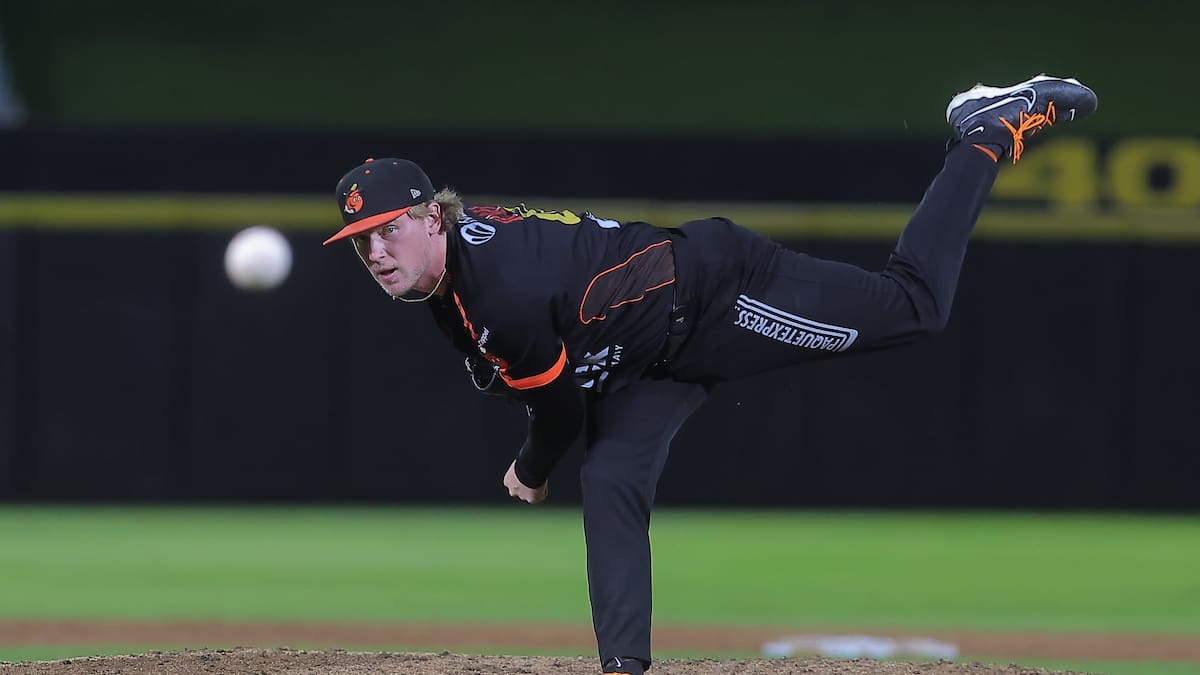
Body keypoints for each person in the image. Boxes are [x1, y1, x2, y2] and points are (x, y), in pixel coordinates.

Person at [323, 74, 1097, 674]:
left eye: (388, 230)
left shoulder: (500, 292)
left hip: (717, 296)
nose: (377, 253)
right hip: (649, 354)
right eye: (363, 242)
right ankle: (623, 664)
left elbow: (557, 412)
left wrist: (530, 466)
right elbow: (527, 363)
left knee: (915, 305)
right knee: (614, 477)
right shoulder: (449, 277)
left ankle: (986, 130)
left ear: (430, 216)